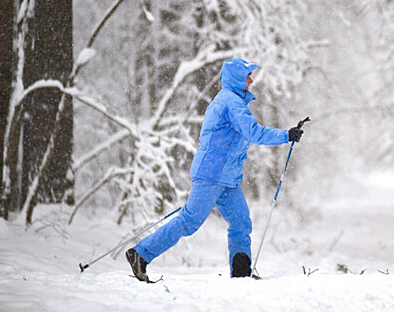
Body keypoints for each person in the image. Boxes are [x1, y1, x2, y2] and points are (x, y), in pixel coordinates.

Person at [125, 58, 304, 281]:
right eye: (247, 75)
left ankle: (241, 273)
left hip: (227, 179)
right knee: (189, 221)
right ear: (237, 79)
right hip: (211, 175)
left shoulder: (232, 101)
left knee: (241, 222)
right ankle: (140, 254)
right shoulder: (230, 103)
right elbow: (253, 132)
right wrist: (286, 135)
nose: (251, 80)